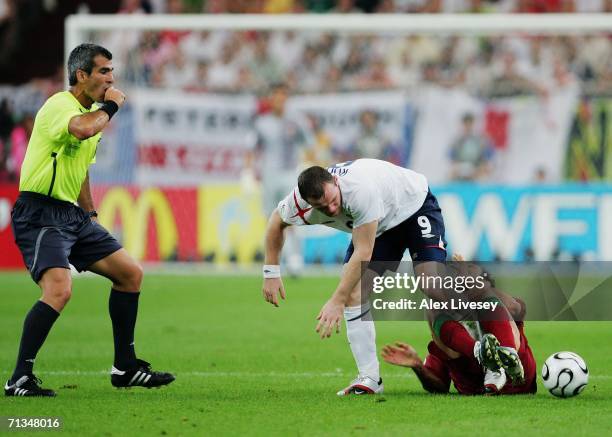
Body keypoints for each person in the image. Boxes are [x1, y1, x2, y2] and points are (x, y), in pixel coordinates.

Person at [4, 43, 175, 397]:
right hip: (41, 212)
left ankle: (125, 368)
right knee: (59, 290)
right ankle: (19, 377)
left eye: (112, 71)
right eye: (103, 71)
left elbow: (81, 172)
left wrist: (91, 215)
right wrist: (112, 105)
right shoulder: (59, 105)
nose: (111, 78)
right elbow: (81, 130)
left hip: (72, 214)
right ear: (81, 75)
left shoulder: (92, 116)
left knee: (130, 274)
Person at [261, 158, 449, 396]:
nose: (331, 210)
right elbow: (275, 223)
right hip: (379, 226)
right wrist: (271, 272)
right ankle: (370, 379)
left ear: (337, 182)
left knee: (431, 282)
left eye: (333, 201)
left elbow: (364, 251)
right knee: (354, 293)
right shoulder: (296, 205)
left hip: (412, 204)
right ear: (308, 202)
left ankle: (481, 341)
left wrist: (336, 300)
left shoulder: (360, 190)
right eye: (322, 207)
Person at [381, 270, 537, 395]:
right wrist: (418, 366)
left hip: (517, 380)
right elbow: (439, 386)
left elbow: (516, 307)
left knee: (490, 302)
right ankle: (481, 353)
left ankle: (505, 357)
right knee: (432, 304)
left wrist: (481, 287)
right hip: (480, 389)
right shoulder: (447, 332)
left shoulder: (503, 308)